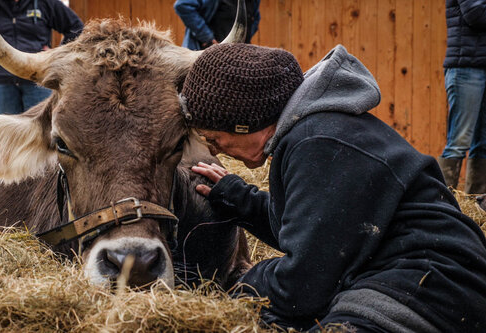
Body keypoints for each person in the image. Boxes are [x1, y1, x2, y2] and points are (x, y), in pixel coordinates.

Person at [182, 43, 486, 332]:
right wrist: (239, 199)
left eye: (214, 138)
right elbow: (317, 232)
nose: (216, 150)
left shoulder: (318, 143)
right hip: (412, 278)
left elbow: (302, 285)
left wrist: (243, 284)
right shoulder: (315, 132)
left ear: (245, 124)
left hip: (429, 286)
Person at [0, 0, 83, 115]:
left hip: (39, 79)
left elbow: (76, 27)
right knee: (8, 134)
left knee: (41, 132)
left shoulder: (46, 3)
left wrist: (58, 55)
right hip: (0, 79)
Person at [437, 0, 486, 194]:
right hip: (465, 68)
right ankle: (439, 203)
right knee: (459, 142)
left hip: (480, 64)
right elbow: (475, 14)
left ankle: (476, 207)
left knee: (483, 143)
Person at [173, 0, 260, 50]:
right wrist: (207, 37)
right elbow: (183, 6)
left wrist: (242, 38)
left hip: (240, 53)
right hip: (206, 53)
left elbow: (255, 18)